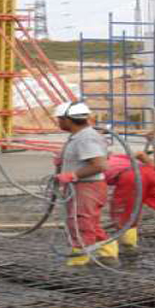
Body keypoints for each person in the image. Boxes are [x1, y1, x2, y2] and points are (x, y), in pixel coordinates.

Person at [53, 102, 119, 267]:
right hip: (83, 186)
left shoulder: (86, 137)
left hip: (87, 187)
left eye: (59, 119)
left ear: (68, 119)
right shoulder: (81, 135)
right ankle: (108, 253)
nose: (58, 122)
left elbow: (100, 165)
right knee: (89, 223)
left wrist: (73, 174)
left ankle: (79, 260)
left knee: (81, 222)